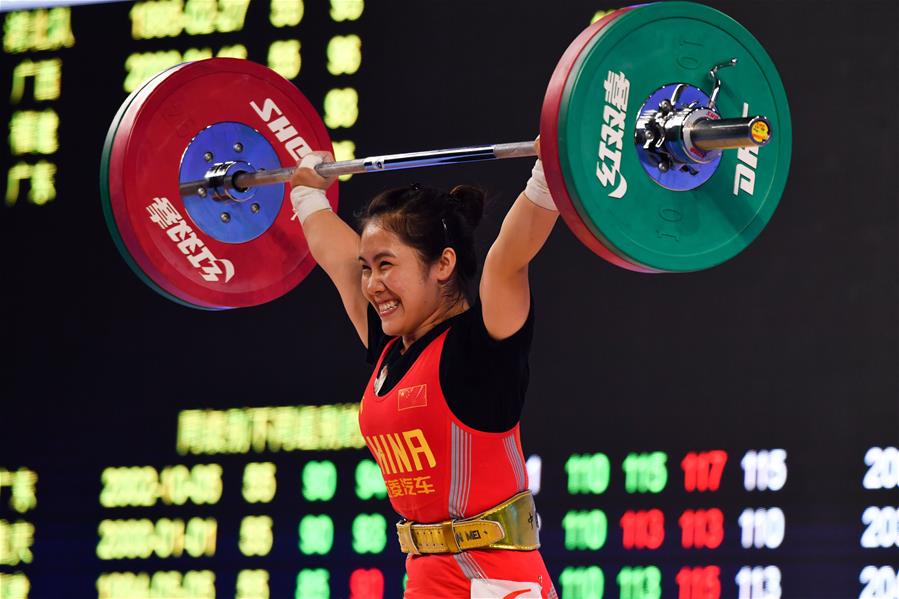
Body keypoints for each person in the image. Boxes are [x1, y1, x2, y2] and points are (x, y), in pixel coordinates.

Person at [289, 139, 559, 599]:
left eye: (386, 265)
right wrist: (306, 193)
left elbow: (508, 258)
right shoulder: (389, 346)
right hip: (426, 578)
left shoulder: (479, 349)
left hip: (497, 582)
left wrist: (552, 170)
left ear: (444, 264)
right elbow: (335, 256)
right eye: (368, 268)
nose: (373, 284)